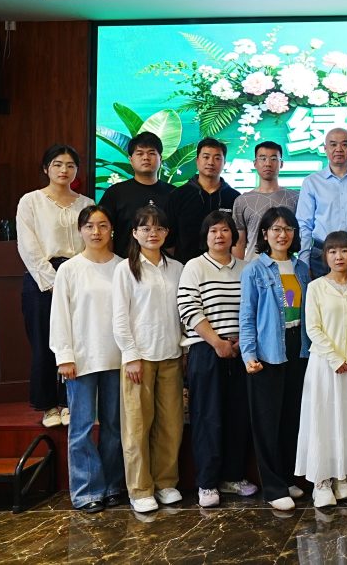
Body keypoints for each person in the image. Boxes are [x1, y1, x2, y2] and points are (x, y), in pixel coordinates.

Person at [177, 210, 257, 508]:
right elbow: (188, 308)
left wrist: (240, 342)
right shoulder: (194, 267)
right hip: (206, 350)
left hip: (241, 351)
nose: (219, 235)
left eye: (224, 230)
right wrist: (217, 342)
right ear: (206, 236)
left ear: (233, 235)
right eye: (213, 231)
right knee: (207, 417)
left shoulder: (246, 268)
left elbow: (253, 307)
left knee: (238, 416)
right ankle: (207, 482)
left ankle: (233, 476)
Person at [49, 205, 123, 512]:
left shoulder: (123, 266)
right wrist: (64, 356)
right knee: (80, 428)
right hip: (80, 359)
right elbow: (60, 315)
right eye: (90, 226)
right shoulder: (69, 269)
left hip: (117, 359)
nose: (96, 232)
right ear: (80, 231)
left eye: (103, 225)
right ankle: (86, 491)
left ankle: (113, 485)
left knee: (114, 427)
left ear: (111, 230)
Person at [111, 206, 185, 513]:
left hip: (171, 354)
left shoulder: (177, 268)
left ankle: (165, 483)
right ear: (134, 233)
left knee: (171, 424)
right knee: (137, 426)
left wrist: (184, 350)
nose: (152, 233)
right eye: (145, 228)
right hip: (139, 358)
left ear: (167, 233)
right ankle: (140, 489)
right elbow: (119, 317)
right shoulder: (125, 269)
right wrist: (130, 355)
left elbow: (183, 313)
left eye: (158, 228)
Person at [296, 231, 347, 508]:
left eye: (344, 251)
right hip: (324, 366)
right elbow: (312, 328)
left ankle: (343, 476)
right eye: (332, 251)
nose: (338, 256)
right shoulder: (316, 287)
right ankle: (322, 482)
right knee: (324, 420)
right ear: (325, 256)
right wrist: (334, 359)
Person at [17, 144, 94, 427]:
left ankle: (69, 401)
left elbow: (93, 240)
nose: (64, 170)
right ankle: (48, 404)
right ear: (46, 168)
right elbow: (28, 246)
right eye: (58, 164)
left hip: (80, 276)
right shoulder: (31, 201)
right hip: (42, 279)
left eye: (70, 165)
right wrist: (52, 282)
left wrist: (80, 279)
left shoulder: (86, 203)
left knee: (76, 342)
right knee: (44, 343)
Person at [239, 206, 310, 511]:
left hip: (298, 347)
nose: (282, 235)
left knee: (291, 417)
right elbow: (247, 316)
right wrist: (248, 354)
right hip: (268, 350)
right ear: (265, 234)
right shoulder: (255, 269)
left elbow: (302, 309)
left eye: (288, 229)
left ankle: (286, 478)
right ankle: (272, 487)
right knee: (267, 421)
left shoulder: (301, 268)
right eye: (276, 229)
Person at [297, 128, 347, 278]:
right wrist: (304, 261)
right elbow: (304, 225)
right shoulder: (311, 182)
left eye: (344, 144)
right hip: (321, 256)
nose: (339, 149)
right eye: (333, 144)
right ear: (325, 149)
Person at [98, 131, 175, 257]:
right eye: (140, 153)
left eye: (151, 153)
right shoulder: (115, 193)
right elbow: (102, 229)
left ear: (160, 159)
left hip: (164, 264)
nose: (146, 158)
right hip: (124, 263)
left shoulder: (174, 193)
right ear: (131, 160)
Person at [166, 138, 240, 265]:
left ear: (224, 162)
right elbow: (168, 239)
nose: (211, 162)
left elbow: (239, 240)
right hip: (185, 267)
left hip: (224, 268)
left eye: (217, 158)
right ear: (197, 161)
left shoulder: (234, 198)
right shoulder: (178, 195)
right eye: (206, 157)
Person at [232, 141, 299, 263]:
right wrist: (238, 270)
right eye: (263, 158)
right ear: (255, 163)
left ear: (281, 164)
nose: (268, 163)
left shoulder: (295, 197)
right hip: (253, 266)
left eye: (273, 159)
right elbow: (239, 242)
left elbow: (302, 235)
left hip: (287, 266)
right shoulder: (242, 201)